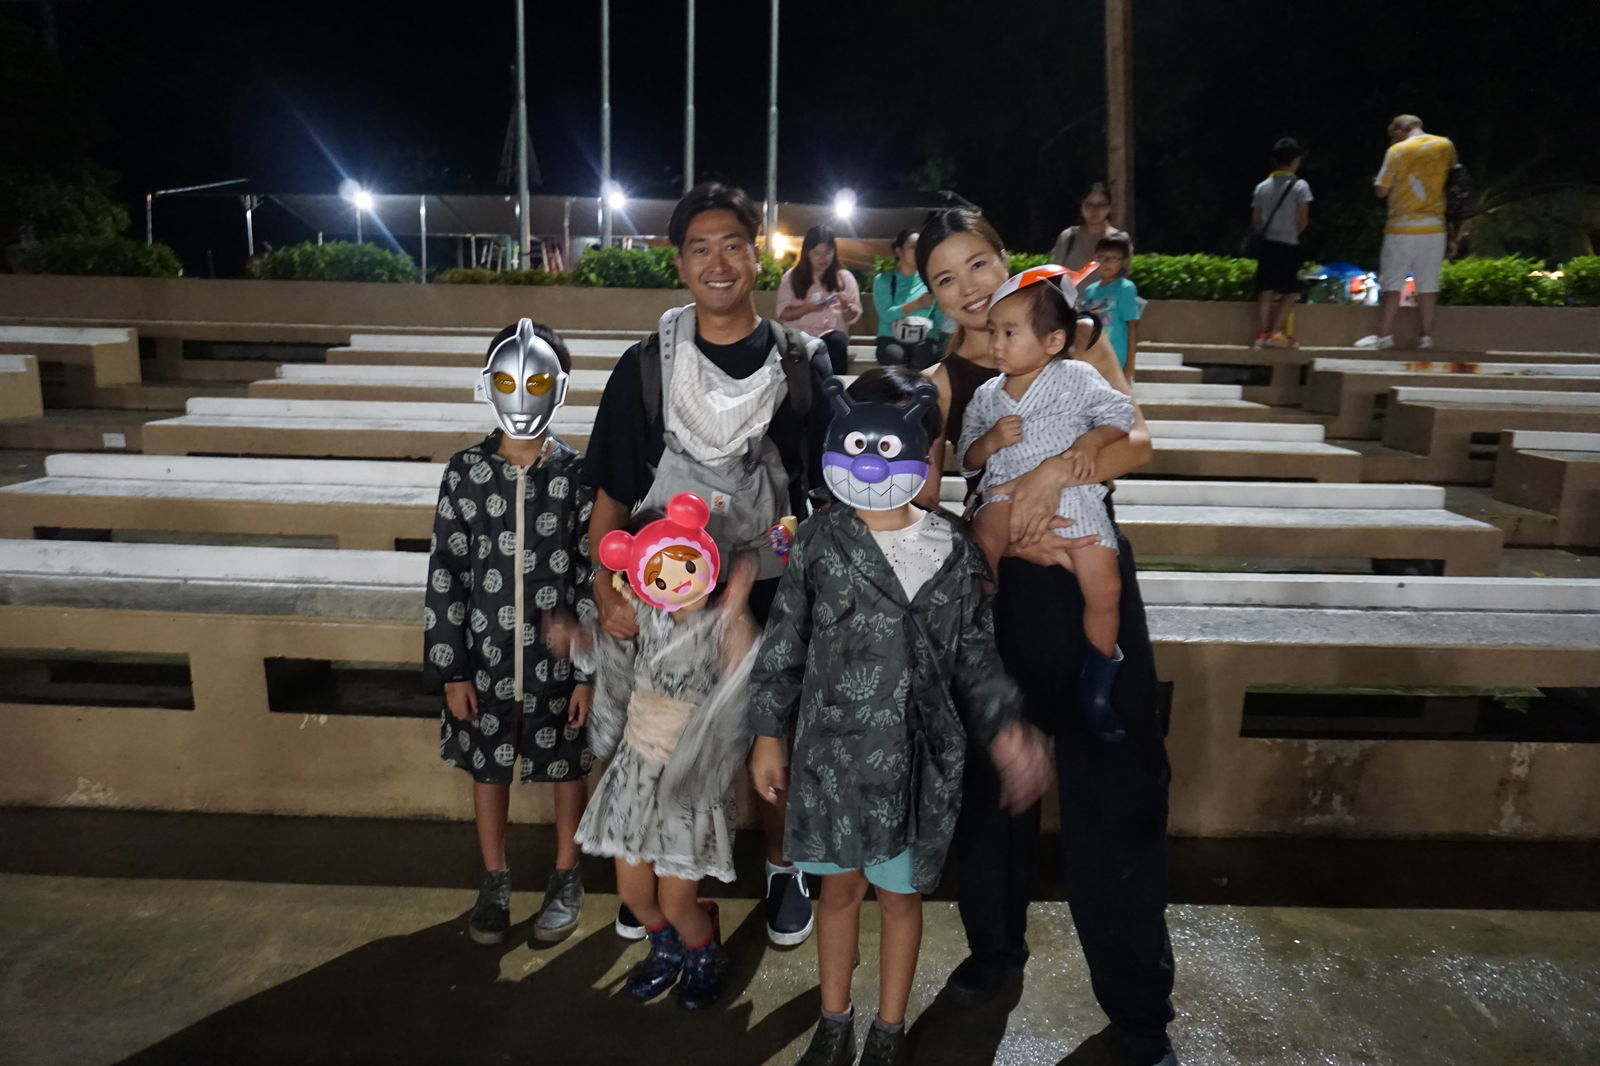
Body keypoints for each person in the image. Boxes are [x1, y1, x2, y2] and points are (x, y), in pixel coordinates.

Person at [916, 208, 1179, 1066]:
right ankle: (995, 949)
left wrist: (1051, 480)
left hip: (1087, 564)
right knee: (999, 790)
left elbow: (1136, 440)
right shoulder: (945, 383)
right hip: (1005, 594)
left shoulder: (1072, 340)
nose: (969, 288)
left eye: (978, 263)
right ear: (930, 295)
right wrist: (994, 525)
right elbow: (926, 499)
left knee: (1119, 790)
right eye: (945, 278)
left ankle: (1139, 1007)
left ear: (1006, 260)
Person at [750, 366, 1052, 1066]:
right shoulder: (819, 541)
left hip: (920, 763)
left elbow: (976, 655)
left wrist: (1006, 726)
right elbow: (784, 641)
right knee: (838, 891)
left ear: (925, 452)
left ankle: (888, 1029)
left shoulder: (953, 549)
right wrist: (767, 733)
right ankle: (834, 1020)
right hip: (833, 756)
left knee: (899, 899)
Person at [585, 181, 835, 948]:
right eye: (700, 248)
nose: (718, 263)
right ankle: (655, 863)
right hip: (664, 591)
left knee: (772, 728)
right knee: (659, 730)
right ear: (679, 261)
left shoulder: (800, 362)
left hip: (768, 579)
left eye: (733, 245)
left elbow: (829, 487)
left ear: (757, 254)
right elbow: (613, 492)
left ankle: (783, 866)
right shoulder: (646, 367)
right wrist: (602, 585)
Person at [423, 318, 596, 949]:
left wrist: (587, 673)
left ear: (559, 386)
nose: (522, 394)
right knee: (487, 767)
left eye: (538, 382)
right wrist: (453, 670)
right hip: (486, 657)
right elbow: (446, 572)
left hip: (556, 665)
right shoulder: (465, 472)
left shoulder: (578, 475)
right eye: (509, 381)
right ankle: (494, 880)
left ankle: (566, 877)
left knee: (566, 766)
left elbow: (589, 574)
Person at [558, 494, 761, 1011]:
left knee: (676, 900)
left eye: (685, 566)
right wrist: (581, 638)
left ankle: (703, 949)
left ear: (705, 559)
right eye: (660, 573)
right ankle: (666, 948)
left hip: (687, 777)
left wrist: (736, 611)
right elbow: (613, 659)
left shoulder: (723, 621)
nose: (676, 582)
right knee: (635, 895)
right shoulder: (643, 615)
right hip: (635, 769)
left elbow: (746, 678)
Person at [957, 265, 1136, 741]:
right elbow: (967, 459)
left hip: (1073, 495)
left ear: (1053, 341)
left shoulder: (1077, 376)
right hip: (1003, 491)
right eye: (993, 332)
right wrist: (990, 442)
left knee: (1106, 586)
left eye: (1009, 333)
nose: (997, 344)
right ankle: (976, 646)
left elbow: (1119, 413)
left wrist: (1092, 442)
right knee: (984, 551)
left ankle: (1097, 687)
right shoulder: (986, 395)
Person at [1355, 114, 1457, 351]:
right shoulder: (1445, 145)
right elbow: (1452, 181)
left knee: (1392, 284)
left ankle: (1384, 336)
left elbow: (1382, 190)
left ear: (1399, 132)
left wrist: (1378, 183)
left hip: (1401, 227)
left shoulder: (1397, 151)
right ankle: (1426, 338)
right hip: (1434, 227)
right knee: (1428, 286)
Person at [1249, 137, 1313, 349]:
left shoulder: (1261, 187)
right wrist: (1293, 232)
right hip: (1288, 245)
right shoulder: (1300, 186)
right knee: (1290, 291)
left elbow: (1256, 220)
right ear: (1295, 160)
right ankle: (1276, 333)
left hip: (1267, 245)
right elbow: (1303, 219)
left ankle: (1261, 333)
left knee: (1266, 289)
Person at [777, 224, 864, 375]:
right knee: (803, 351)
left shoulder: (844, 278)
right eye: (817, 253)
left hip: (832, 337)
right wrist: (806, 308)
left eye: (828, 252)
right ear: (807, 253)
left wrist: (846, 307)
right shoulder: (792, 277)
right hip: (801, 335)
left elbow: (853, 316)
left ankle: (835, 386)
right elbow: (783, 314)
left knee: (837, 342)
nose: (823, 258)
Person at [872, 228, 942, 368]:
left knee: (925, 356)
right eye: (913, 247)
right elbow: (886, 315)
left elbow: (938, 317)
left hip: (925, 337)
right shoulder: (884, 280)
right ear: (899, 251)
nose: (919, 251)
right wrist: (917, 304)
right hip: (890, 337)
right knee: (896, 358)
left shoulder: (930, 280)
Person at [1080, 235, 1143, 380]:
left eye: (1113, 258)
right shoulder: (1090, 290)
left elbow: (1132, 326)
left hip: (1116, 359)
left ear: (1124, 261)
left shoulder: (1125, 288)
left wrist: (1130, 364)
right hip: (1091, 358)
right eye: (1101, 257)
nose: (1106, 262)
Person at [1050, 182, 1132, 272]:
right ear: (1081, 206)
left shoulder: (1121, 239)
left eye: (1101, 205)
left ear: (1109, 207)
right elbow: (1056, 273)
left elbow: (1123, 273)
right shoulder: (1068, 237)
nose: (1094, 210)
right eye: (1089, 204)